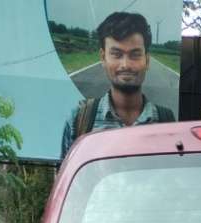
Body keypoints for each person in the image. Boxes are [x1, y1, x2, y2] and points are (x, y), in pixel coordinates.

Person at [60, 12, 175, 160]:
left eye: (135, 55)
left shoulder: (166, 123)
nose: (125, 65)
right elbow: (65, 179)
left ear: (147, 60)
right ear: (103, 58)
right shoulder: (79, 121)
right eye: (116, 54)